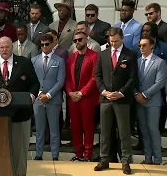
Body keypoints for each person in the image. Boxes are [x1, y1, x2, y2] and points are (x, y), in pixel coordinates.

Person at [0, 36, 39, 176]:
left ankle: (19, 174)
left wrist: (32, 95)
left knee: (19, 150)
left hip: (20, 116)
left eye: (7, 47)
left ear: (13, 47)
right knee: (0, 148)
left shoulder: (24, 62)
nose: (4, 50)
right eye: (2, 47)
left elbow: (35, 83)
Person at [94, 27, 137, 174]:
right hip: (106, 99)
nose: (113, 44)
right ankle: (104, 159)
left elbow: (133, 78)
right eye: (111, 41)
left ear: (122, 38)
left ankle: (126, 161)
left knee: (124, 132)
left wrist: (121, 93)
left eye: (116, 41)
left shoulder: (129, 55)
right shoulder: (103, 54)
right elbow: (98, 75)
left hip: (121, 100)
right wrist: (103, 91)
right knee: (105, 131)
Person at [65, 32, 99, 162]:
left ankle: (87, 154)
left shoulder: (94, 56)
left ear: (86, 39)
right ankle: (78, 153)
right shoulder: (71, 58)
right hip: (73, 98)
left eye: (80, 39)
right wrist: (70, 92)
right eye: (75, 40)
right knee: (75, 126)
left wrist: (81, 93)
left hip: (87, 98)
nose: (77, 42)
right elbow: (67, 77)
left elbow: (94, 78)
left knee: (88, 126)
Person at [32, 34, 65, 161]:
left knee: (54, 129)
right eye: (42, 44)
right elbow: (33, 80)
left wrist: (49, 94)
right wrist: (40, 93)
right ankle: (38, 154)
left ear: (52, 45)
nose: (44, 47)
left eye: (47, 44)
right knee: (39, 129)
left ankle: (55, 155)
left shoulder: (59, 60)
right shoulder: (34, 60)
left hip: (54, 99)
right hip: (38, 99)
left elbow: (60, 81)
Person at [134, 37, 166, 165]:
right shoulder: (137, 62)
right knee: (144, 131)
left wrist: (145, 94)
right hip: (139, 101)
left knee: (153, 130)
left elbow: (160, 83)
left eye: (145, 45)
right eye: (140, 45)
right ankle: (148, 158)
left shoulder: (159, 62)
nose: (142, 48)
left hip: (153, 102)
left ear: (152, 46)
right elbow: (133, 81)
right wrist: (136, 94)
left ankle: (158, 160)